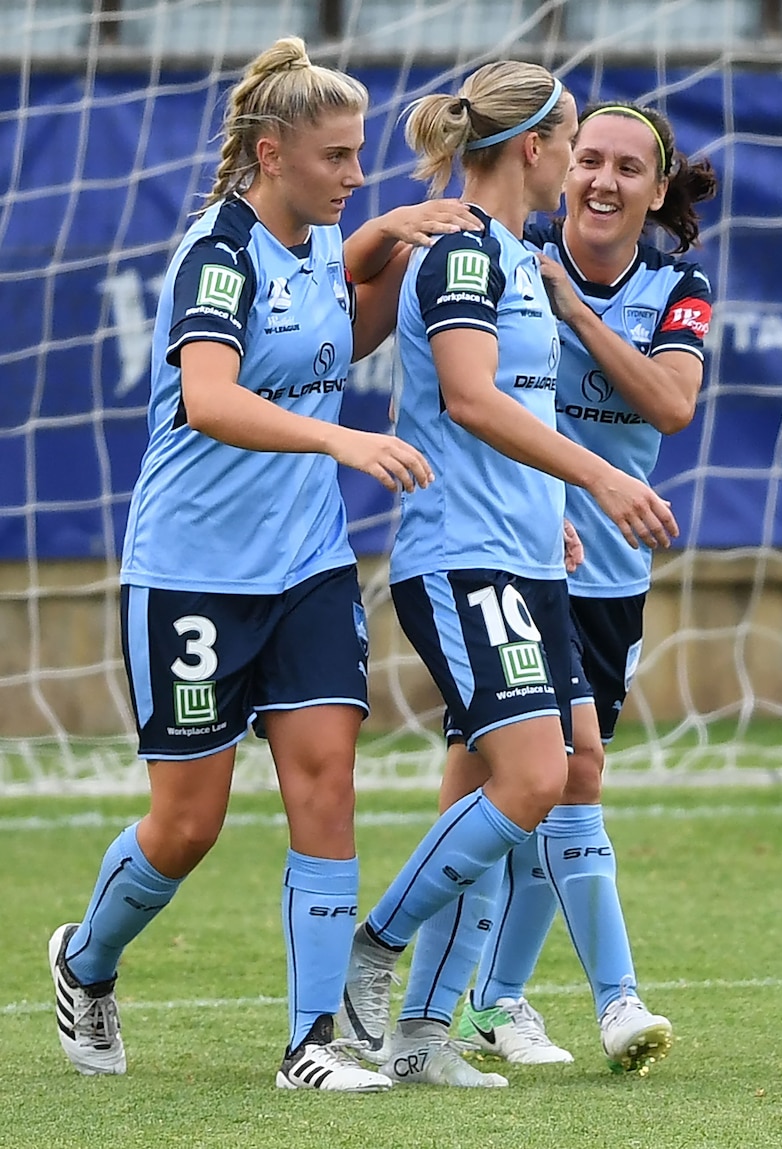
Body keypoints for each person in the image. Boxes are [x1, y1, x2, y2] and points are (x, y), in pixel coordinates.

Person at [47, 35, 482, 1094]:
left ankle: (310, 1047)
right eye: (337, 157)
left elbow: (341, 335)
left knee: (326, 786)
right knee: (186, 826)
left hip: (307, 571)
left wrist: (404, 249)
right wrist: (341, 441)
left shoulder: (322, 253)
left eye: (361, 154)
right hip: (192, 573)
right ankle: (85, 962)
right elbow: (211, 396)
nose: (356, 172)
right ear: (271, 152)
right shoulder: (220, 251)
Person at [336, 63, 680, 1087]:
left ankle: (423, 1038)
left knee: (546, 772)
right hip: (460, 559)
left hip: (525, 556)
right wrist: (599, 485)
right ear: (532, 150)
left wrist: (552, 521)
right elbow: (474, 402)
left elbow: (512, 416)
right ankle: (376, 948)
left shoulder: (518, 262)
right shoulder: (460, 260)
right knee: (533, 778)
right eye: (573, 143)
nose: (580, 166)